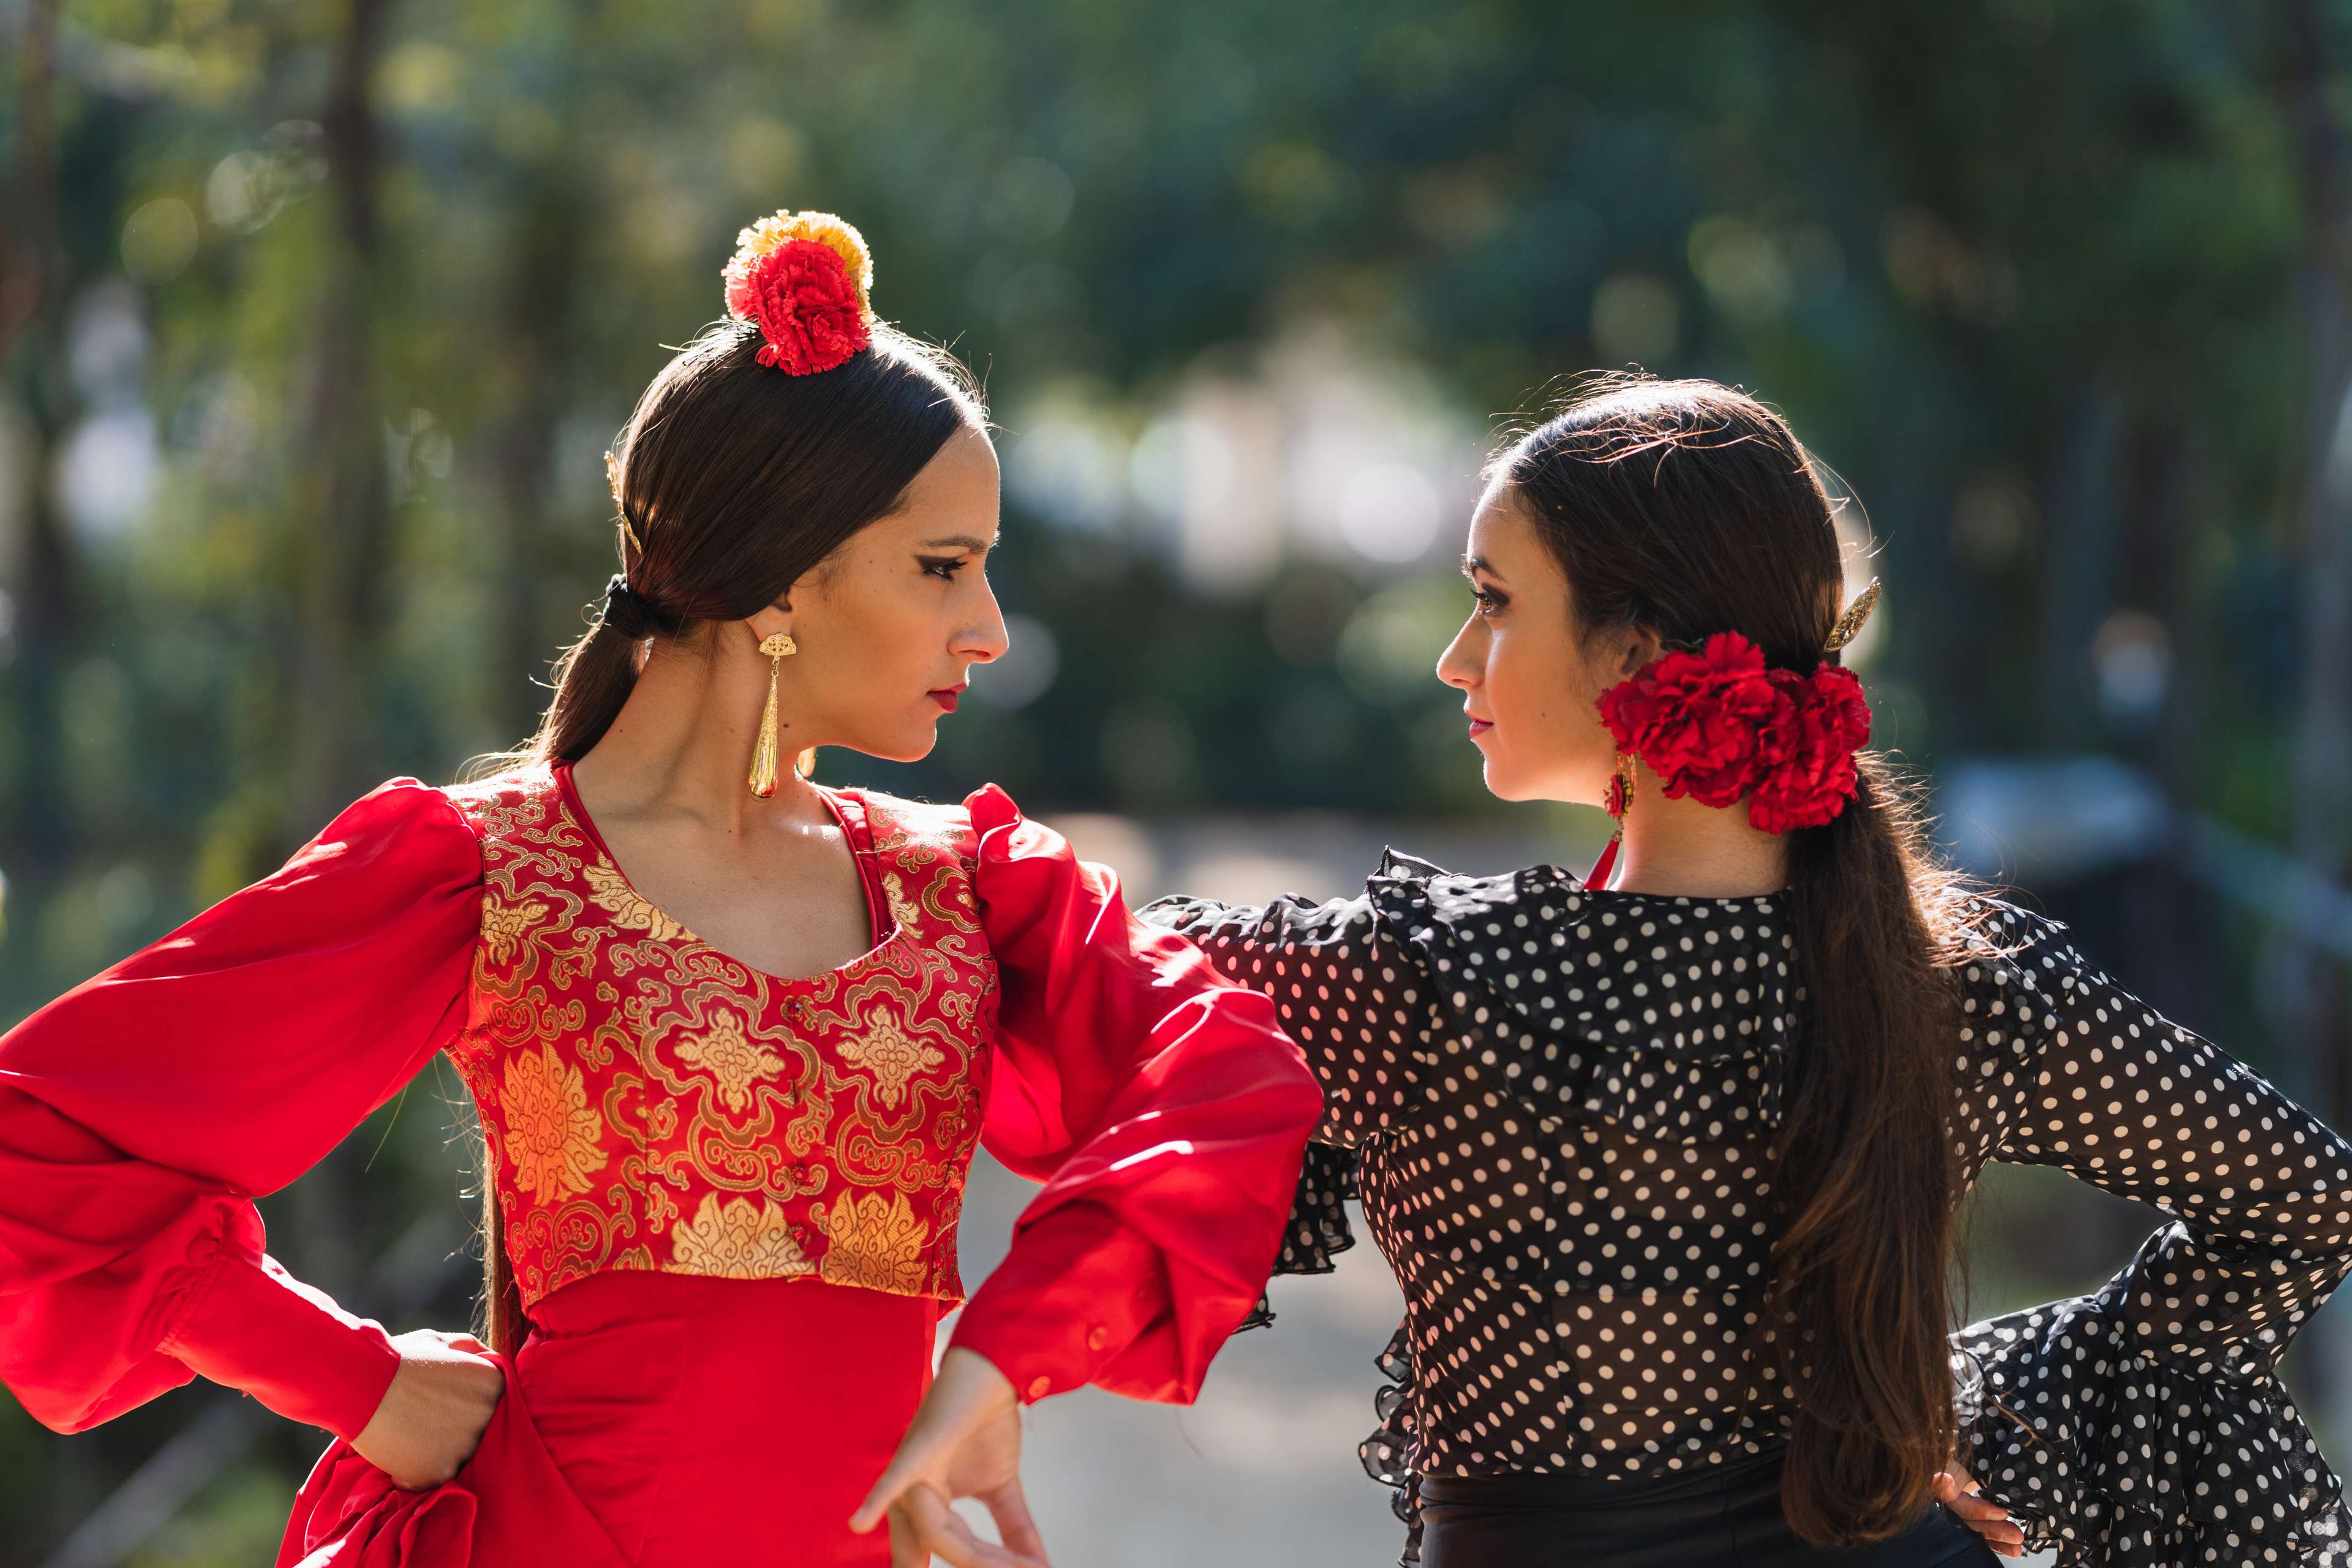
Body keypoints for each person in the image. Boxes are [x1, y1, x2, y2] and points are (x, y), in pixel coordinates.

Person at [0, 210, 1324, 1568]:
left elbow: (1223, 1078)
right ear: (786, 578)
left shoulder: (972, 886)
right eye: (944, 568)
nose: (986, 626)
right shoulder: (482, 869)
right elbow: (29, 1141)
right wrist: (348, 1376)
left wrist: (997, 1362)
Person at [1144, 375, 2352, 1568]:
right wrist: (1990, 1407)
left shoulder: (1427, 980)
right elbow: (2311, 1194)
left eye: (1495, 601)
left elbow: (1089, 948)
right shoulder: (1963, 984)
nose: (1458, 658)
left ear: (1641, 648)